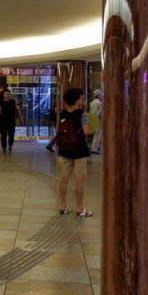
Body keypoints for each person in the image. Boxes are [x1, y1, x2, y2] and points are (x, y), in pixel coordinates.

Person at [56, 86, 93, 217]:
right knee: (79, 179)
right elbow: (86, 131)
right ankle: (79, 207)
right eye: (81, 98)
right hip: (79, 149)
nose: (82, 100)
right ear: (77, 99)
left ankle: (63, 206)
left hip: (66, 148)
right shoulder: (82, 114)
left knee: (64, 177)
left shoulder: (63, 113)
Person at [0, 88, 23, 153]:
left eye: (8, 94)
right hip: (3, 122)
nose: (7, 95)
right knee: (4, 136)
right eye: (6, 94)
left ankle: (10, 146)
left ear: (10, 95)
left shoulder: (13, 102)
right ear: (3, 95)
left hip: (11, 122)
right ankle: (4, 148)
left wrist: (21, 119)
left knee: (11, 134)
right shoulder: (1, 103)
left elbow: (18, 110)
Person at [89, 89, 103, 154]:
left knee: (96, 135)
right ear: (98, 95)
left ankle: (94, 148)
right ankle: (94, 149)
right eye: (100, 94)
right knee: (97, 135)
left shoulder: (92, 102)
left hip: (93, 119)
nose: (101, 96)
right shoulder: (99, 103)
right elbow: (98, 113)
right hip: (97, 120)